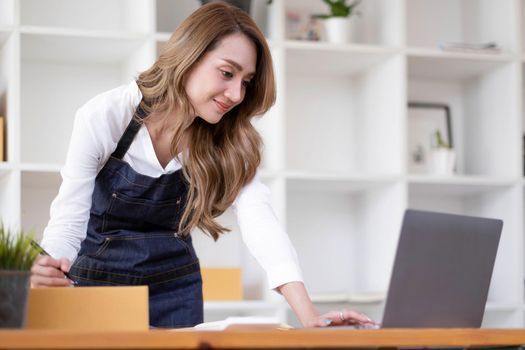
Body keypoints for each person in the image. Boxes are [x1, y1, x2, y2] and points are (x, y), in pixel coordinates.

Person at [30, 2, 375, 328]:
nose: (237, 94)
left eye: (246, 81)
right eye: (227, 73)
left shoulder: (229, 138)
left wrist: (308, 314)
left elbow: (261, 223)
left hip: (174, 291)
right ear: (189, 56)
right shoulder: (106, 116)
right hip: (97, 289)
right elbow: (68, 220)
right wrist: (47, 273)